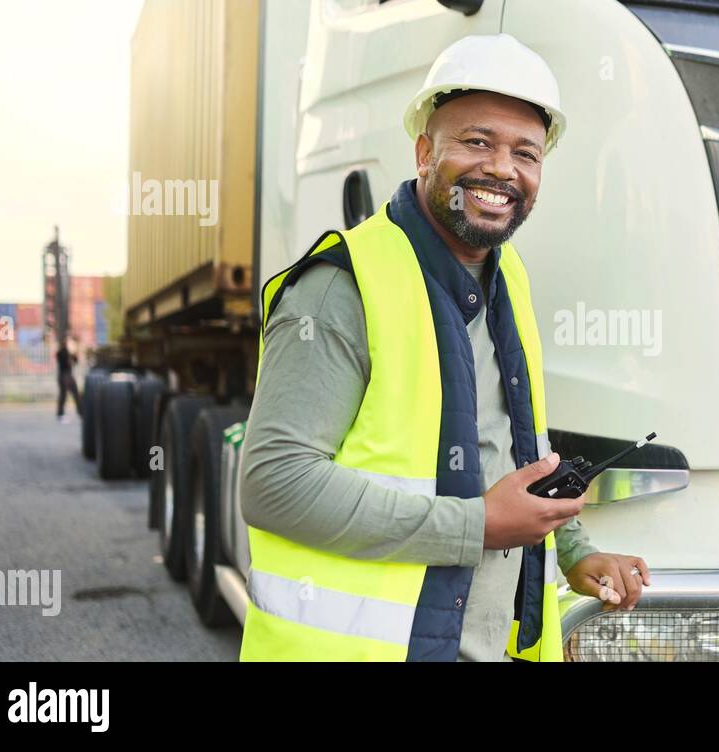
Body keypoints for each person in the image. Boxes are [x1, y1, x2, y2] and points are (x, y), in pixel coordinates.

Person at [237, 34, 649, 662]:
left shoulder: (508, 279)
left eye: (525, 153)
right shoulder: (340, 288)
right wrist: (476, 527)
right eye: (477, 142)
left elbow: (510, 449)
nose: (502, 169)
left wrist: (573, 550)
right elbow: (274, 483)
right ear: (425, 150)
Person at [55, 339, 82, 422]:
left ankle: (80, 412)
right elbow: (63, 361)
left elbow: (76, 361)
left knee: (75, 394)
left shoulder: (69, 353)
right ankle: (61, 414)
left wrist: (73, 352)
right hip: (64, 375)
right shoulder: (62, 352)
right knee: (64, 395)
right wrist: (69, 353)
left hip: (67, 375)